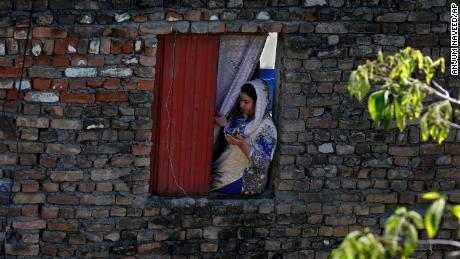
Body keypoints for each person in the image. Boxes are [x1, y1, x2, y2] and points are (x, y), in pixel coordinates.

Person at [211, 79, 277, 195]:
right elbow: (237, 133)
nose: (241, 105)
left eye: (246, 102)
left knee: (207, 185)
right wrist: (226, 124)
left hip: (246, 180)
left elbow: (263, 163)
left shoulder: (267, 127)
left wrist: (242, 145)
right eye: (241, 101)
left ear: (259, 102)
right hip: (229, 169)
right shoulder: (244, 117)